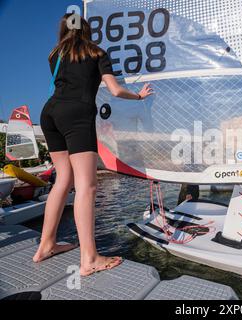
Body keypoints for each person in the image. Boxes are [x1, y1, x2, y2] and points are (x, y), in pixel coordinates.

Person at [33, 13, 153, 276]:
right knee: (86, 186)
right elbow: (115, 90)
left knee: (63, 179)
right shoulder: (97, 53)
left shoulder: (56, 55)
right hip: (77, 114)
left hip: (50, 112)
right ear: (86, 29)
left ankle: (46, 244)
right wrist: (139, 96)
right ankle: (89, 259)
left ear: (64, 29)